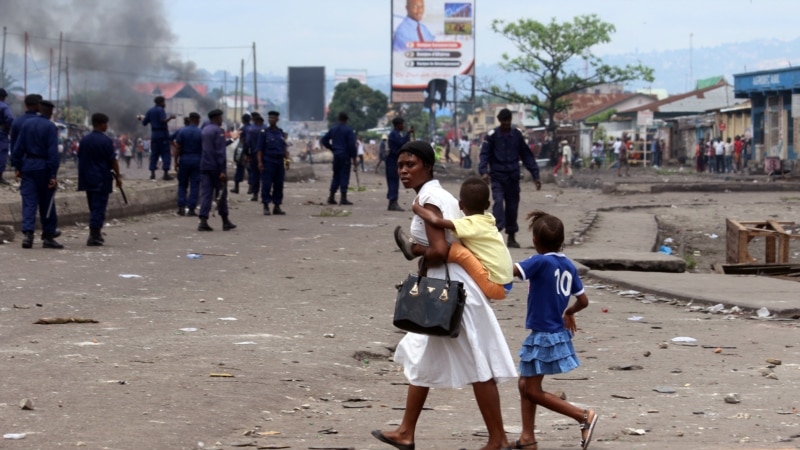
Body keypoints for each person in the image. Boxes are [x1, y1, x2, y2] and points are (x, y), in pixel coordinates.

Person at [371, 141, 516, 450]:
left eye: (411, 164)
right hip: (450, 287)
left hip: (450, 293)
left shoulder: (429, 199)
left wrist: (415, 250)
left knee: (480, 364)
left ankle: (498, 439)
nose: (404, 170)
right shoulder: (439, 195)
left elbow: (440, 250)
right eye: (400, 166)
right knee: (423, 354)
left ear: (428, 166)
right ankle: (406, 431)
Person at [511, 210, 596, 450]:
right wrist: (569, 312)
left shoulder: (540, 261)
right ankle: (527, 438)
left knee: (532, 390)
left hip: (544, 335)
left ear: (536, 241)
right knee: (524, 384)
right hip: (554, 333)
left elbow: (513, 270)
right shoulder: (567, 265)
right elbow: (584, 301)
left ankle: (582, 415)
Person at [405, 176, 513, 300]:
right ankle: (422, 269)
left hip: (496, 286)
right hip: (506, 283)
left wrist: (417, 208)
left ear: (460, 205)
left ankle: (416, 249)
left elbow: (435, 221)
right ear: (488, 205)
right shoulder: (488, 219)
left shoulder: (468, 224)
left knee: (455, 250)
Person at [478, 108, 542, 248]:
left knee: (512, 208)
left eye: (508, 121)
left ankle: (511, 237)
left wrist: (535, 175)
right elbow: (484, 155)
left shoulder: (516, 135)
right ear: (500, 121)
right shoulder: (492, 136)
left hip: (513, 177)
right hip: (498, 176)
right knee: (498, 203)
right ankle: (496, 231)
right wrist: (484, 172)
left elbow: (527, 156)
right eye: (504, 121)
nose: (506, 123)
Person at [10, 99, 63, 249]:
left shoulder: (27, 124)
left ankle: (28, 235)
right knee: (47, 203)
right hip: (44, 168)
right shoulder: (50, 127)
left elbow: (17, 149)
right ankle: (48, 236)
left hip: (28, 167)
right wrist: (53, 174)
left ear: (39, 109)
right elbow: (53, 153)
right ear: (51, 112)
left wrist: (19, 167)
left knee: (29, 202)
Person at [77, 113, 122, 246]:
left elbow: (80, 157)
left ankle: (96, 232)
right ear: (101, 124)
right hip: (101, 178)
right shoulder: (106, 141)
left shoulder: (84, 140)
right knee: (99, 207)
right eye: (106, 124)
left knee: (93, 206)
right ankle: (94, 234)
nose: (107, 126)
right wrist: (118, 176)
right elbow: (113, 160)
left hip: (87, 178)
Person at [197, 109, 236, 232]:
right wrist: (223, 170)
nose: (222, 119)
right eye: (221, 117)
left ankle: (203, 220)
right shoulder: (218, 131)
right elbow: (220, 152)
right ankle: (225, 220)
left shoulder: (204, 130)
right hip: (215, 167)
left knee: (206, 194)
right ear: (217, 118)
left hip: (205, 165)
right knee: (221, 193)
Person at [320, 112, 357, 206]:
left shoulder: (333, 129)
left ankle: (331, 196)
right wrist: (354, 158)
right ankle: (343, 198)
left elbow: (324, 140)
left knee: (336, 175)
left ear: (339, 118)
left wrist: (332, 148)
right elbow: (351, 145)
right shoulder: (348, 130)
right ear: (346, 119)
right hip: (345, 155)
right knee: (344, 175)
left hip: (336, 155)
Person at [257, 111, 289, 215]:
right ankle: (266, 205)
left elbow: (284, 147)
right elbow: (260, 149)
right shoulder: (264, 133)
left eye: (273, 118)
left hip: (279, 162)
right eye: (270, 118)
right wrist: (260, 162)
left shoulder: (280, 132)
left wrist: (287, 160)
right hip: (268, 161)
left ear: (277, 119)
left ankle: (277, 206)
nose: (271, 120)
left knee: (279, 184)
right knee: (266, 184)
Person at [138, 95, 176, 180]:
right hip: (162, 134)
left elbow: (144, 123)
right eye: (164, 102)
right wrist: (171, 117)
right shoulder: (161, 110)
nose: (165, 104)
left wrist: (142, 118)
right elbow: (163, 121)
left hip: (154, 135)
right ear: (161, 102)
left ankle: (152, 173)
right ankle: (165, 173)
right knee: (166, 153)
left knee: (154, 154)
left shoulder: (150, 111)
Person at [174, 112, 203, 216]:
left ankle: (181, 207)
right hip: (197, 160)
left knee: (182, 184)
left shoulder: (182, 132)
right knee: (195, 185)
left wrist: (175, 161)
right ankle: (191, 209)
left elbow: (178, 148)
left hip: (184, 160)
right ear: (196, 120)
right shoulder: (200, 132)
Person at [386, 117, 413, 211]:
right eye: (402, 124)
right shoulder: (394, 134)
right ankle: (393, 202)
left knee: (394, 181)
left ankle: (392, 202)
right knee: (393, 181)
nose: (403, 126)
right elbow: (402, 143)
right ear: (398, 125)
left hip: (394, 160)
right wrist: (408, 134)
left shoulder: (396, 134)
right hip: (392, 160)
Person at [246, 113, 265, 201]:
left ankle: (255, 194)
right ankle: (265, 194)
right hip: (264, 156)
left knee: (255, 175)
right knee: (265, 175)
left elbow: (247, 143)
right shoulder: (266, 129)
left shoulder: (251, 130)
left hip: (254, 155)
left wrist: (247, 155)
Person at [232, 113, 251, 194]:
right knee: (250, 170)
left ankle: (236, 187)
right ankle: (251, 188)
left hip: (243, 149)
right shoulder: (252, 127)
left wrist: (239, 152)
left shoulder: (243, 129)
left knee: (240, 168)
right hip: (251, 150)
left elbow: (241, 141)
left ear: (243, 120)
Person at [0, 88, 15, 185]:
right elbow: (10, 119)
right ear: (4, 97)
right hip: (1, 133)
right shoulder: (4, 107)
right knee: (2, 153)